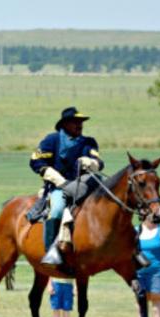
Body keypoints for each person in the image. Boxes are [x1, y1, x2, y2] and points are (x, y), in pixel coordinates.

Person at [29, 106, 104, 270]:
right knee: (56, 211)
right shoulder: (52, 140)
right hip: (59, 186)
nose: (80, 125)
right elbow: (36, 162)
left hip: (85, 185)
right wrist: (58, 179)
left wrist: (91, 162)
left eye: (81, 122)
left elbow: (99, 162)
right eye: (76, 122)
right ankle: (51, 251)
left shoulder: (88, 142)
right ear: (65, 124)